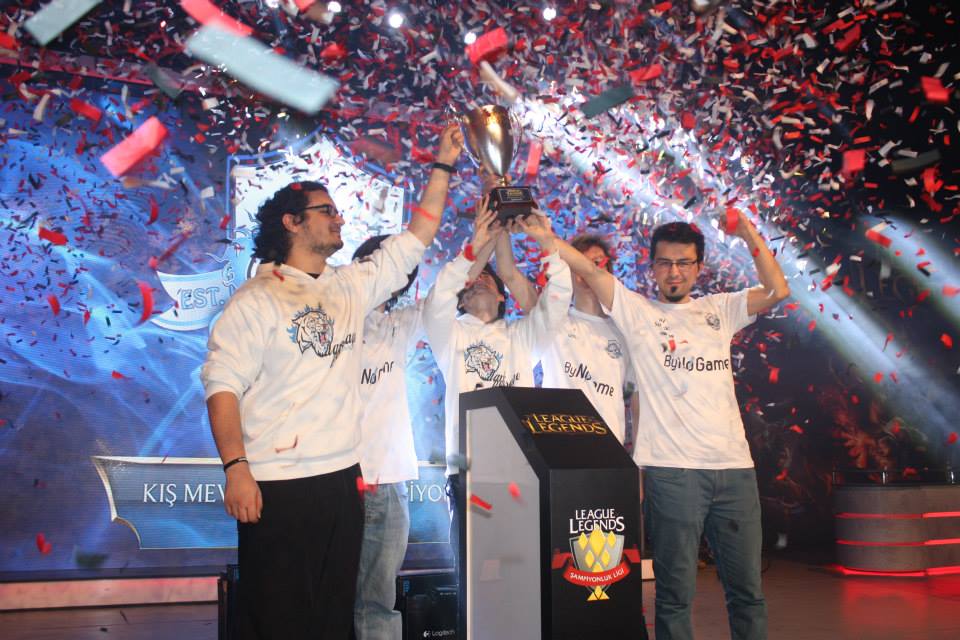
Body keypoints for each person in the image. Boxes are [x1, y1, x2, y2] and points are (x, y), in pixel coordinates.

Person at [201, 125, 463, 640]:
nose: (339, 217)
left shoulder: (347, 287)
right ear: (292, 222)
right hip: (277, 483)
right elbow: (222, 387)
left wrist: (444, 164)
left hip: (342, 478)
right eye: (327, 211)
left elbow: (416, 238)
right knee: (278, 618)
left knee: (332, 616)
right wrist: (236, 468)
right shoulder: (256, 300)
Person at [556, 215, 790, 640]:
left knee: (748, 595)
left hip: (735, 471)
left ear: (699, 267)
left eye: (683, 263)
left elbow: (779, 290)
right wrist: (539, 231)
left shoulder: (719, 309)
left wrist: (747, 233)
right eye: (664, 263)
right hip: (672, 474)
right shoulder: (636, 312)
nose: (674, 272)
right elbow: (588, 269)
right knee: (674, 597)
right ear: (652, 267)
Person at [422, 201, 572, 565]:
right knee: (475, 575)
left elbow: (558, 299)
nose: (476, 282)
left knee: (522, 570)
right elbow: (439, 298)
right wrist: (475, 247)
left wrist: (546, 242)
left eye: (486, 278)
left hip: (521, 469)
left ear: (503, 294)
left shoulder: (522, 335)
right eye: (470, 283)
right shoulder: (451, 335)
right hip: (470, 473)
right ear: (461, 300)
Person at [351, 235, 423, 640]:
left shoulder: (401, 323)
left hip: (390, 477)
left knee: (378, 600)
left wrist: (485, 238)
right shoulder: (329, 319)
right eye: (376, 262)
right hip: (335, 476)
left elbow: (450, 287)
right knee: (333, 595)